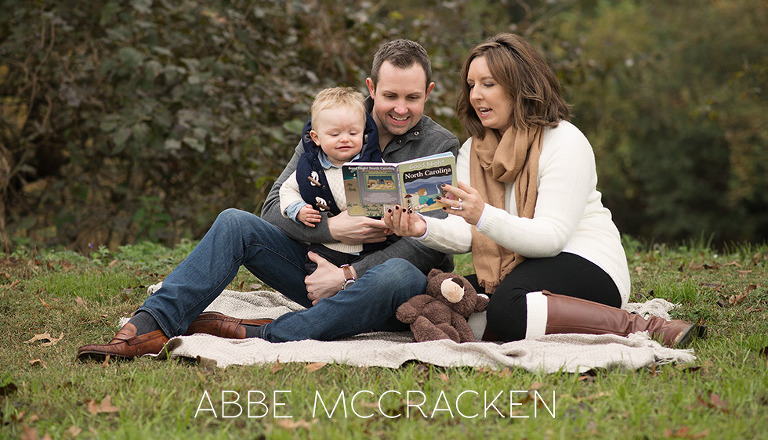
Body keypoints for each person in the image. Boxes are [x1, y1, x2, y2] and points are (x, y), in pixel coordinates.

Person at [76, 39, 459, 361]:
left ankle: (257, 334)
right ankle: (148, 327)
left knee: (401, 274)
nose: (400, 108)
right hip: (314, 269)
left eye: (412, 97)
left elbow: (429, 247)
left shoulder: (440, 147)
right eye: (390, 95)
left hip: (382, 285)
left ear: (428, 92)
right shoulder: (331, 123)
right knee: (234, 222)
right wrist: (330, 227)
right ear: (371, 88)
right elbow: (273, 207)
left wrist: (345, 276)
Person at [384, 33, 706, 348]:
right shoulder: (474, 150)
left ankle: (644, 327)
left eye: (488, 84)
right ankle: (512, 322)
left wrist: (483, 214)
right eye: (471, 85)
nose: (476, 95)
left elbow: (551, 238)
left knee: (507, 307)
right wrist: (421, 227)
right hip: (521, 268)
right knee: (441, 298)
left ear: (518, 86)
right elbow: (469, 234)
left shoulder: (564, 141)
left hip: (587, 263)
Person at [279, 86, 382, 273]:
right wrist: (297, 209)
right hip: (326, 248)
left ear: (364, 133)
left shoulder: (373, 163)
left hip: (369, 248)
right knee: (316, 273)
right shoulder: (310, 168)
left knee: (374, 275)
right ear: (316, 138)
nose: (345, 139)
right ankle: (324, 301)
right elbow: (286, 190)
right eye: (335, 134)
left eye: (353, 133)